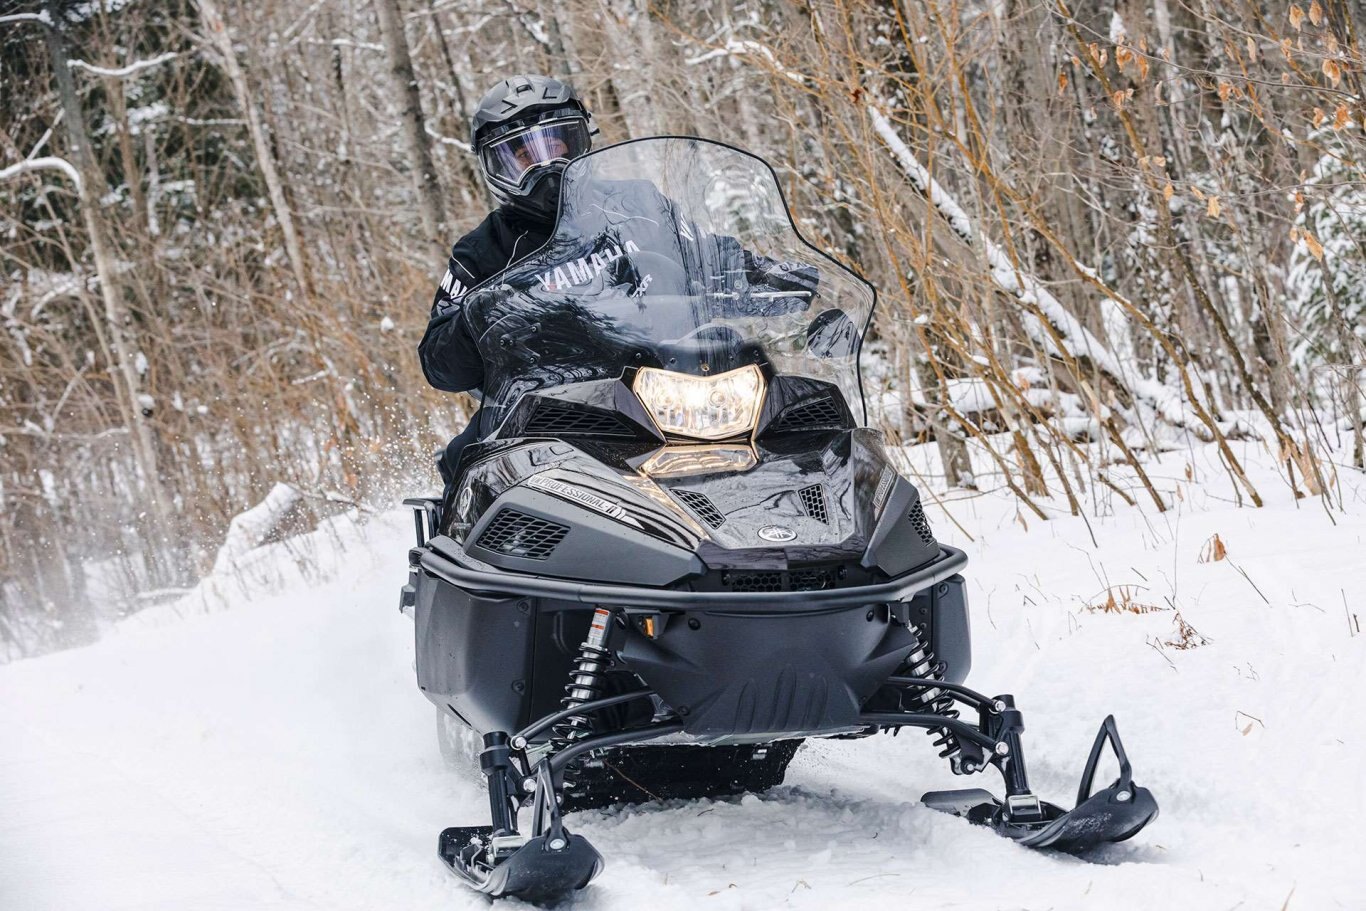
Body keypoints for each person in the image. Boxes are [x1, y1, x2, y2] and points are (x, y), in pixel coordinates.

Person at [419, 74, 594, 500]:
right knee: (471, 463)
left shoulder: (635, 207)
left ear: (580, 142)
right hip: (542, 405)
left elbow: (706, 252)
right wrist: (477, 318)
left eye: (557, 148)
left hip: (659, 378)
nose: (547, 169)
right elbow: (438, 362)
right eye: (525, 157)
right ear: (496, 167)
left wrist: (754, 274)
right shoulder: (482, 250)